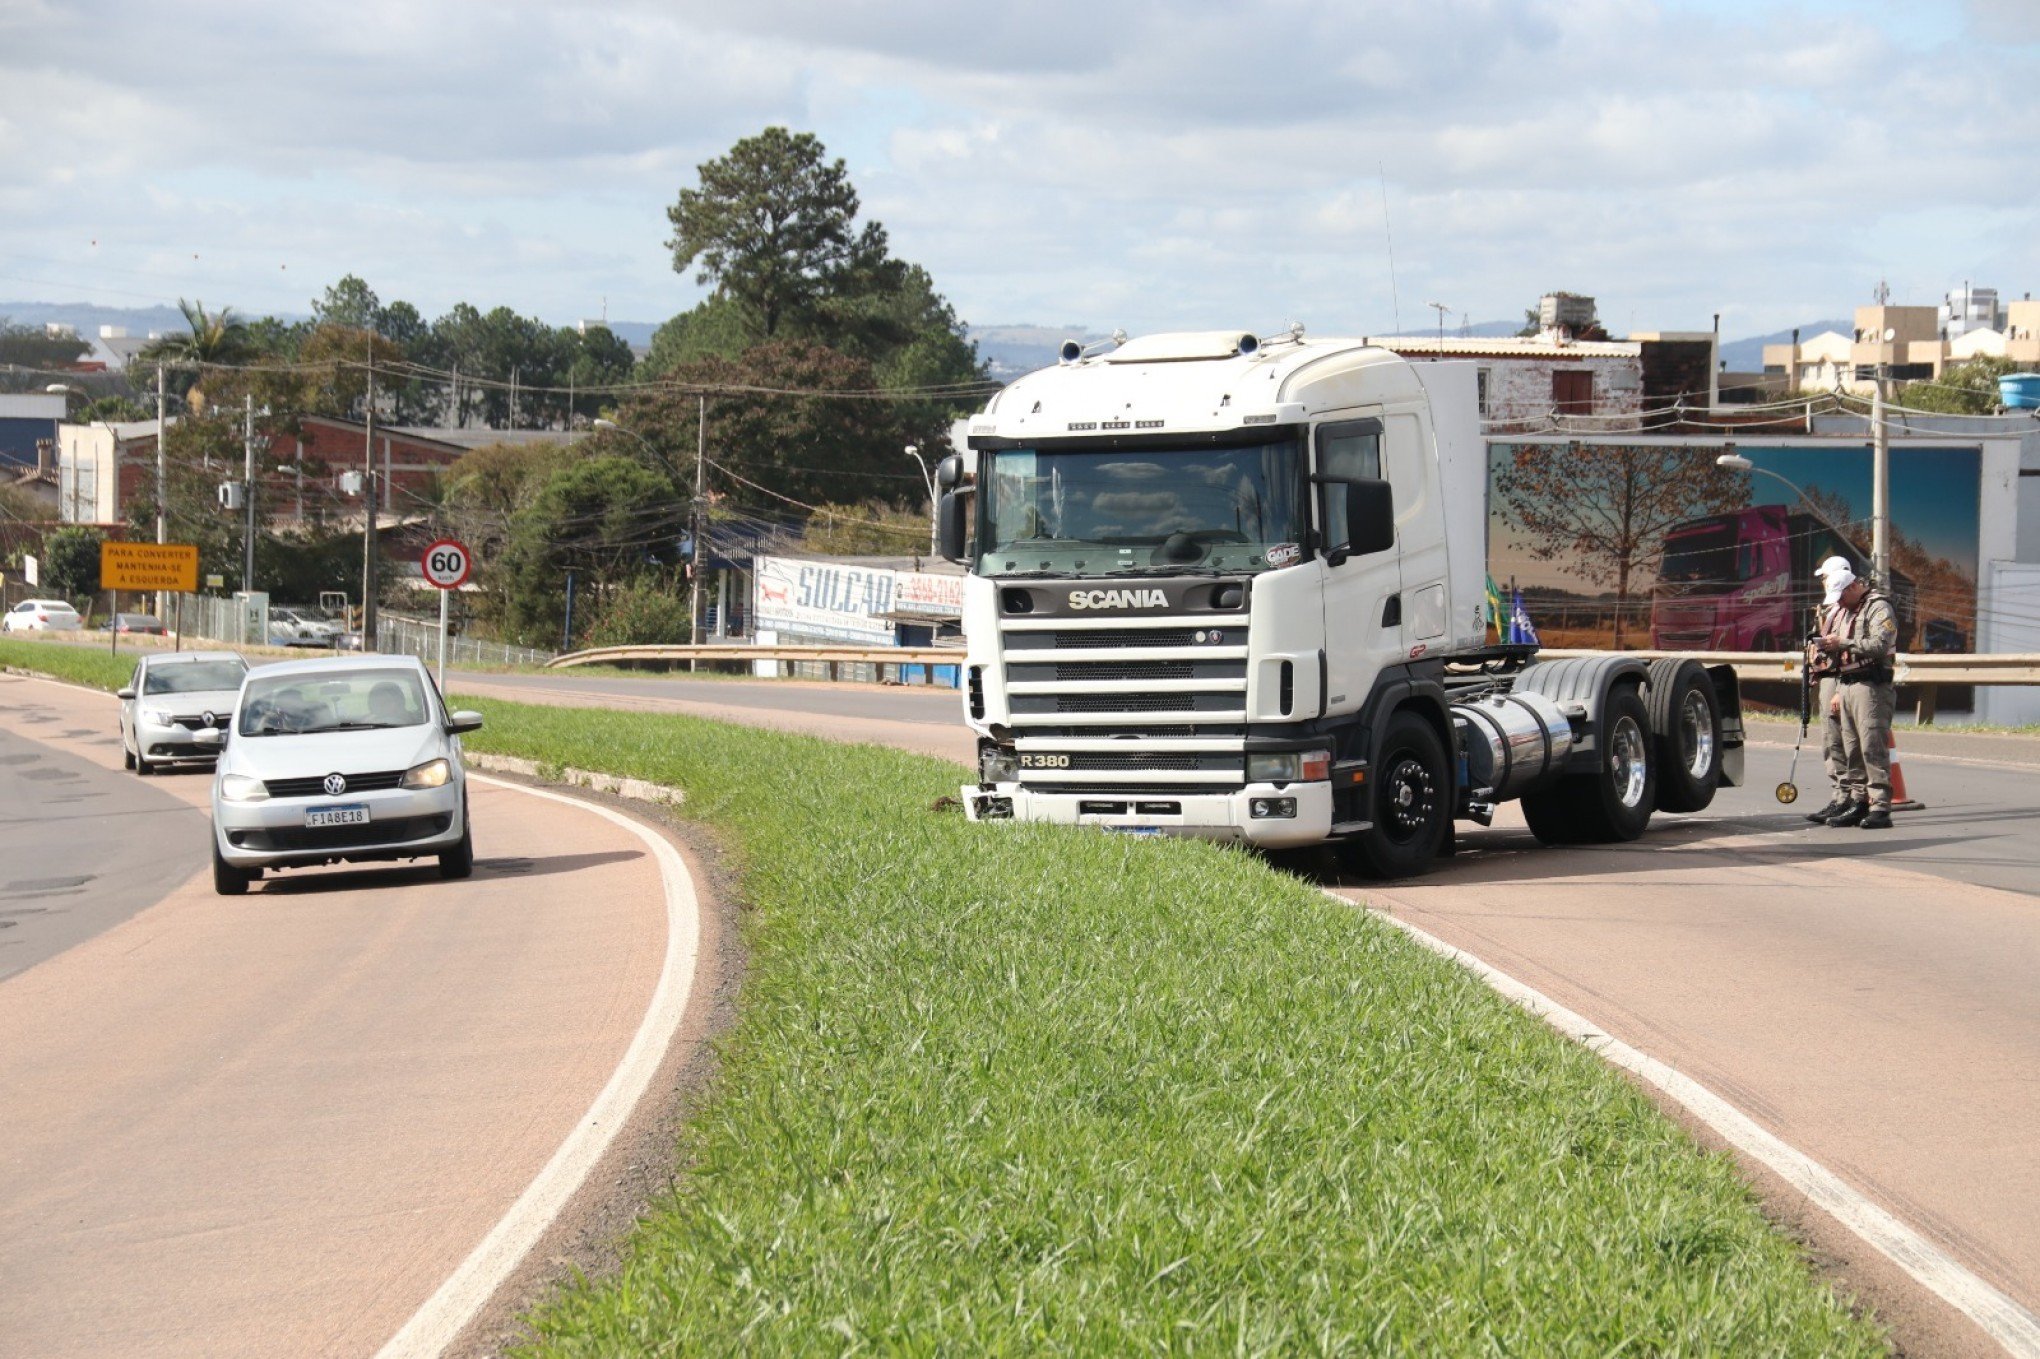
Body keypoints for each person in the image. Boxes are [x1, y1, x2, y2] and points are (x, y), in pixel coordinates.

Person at [1813, 558, 1899, 829]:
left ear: (1851, 588)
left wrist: (1843, 643)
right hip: (1847, 683)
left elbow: (1879, 646)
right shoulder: (1847, 609)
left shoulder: (1878, 607)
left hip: (1870, 686)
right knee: (1851, 749)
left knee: (1871, 745)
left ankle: (1880, 806)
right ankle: (1858, 801)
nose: (1838, 603)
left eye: (1840, 597)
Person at [1803, 558, 1850, 823]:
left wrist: (1839, 690)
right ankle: (1838, 795)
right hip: (1826, 677)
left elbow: (1845, 653)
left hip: (1838, 679)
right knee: (1829, 742)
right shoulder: (1829, 608)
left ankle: (1847, 797)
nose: (1822, 582)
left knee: (1840, 740)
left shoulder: (1845, 610)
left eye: (1825, 577)